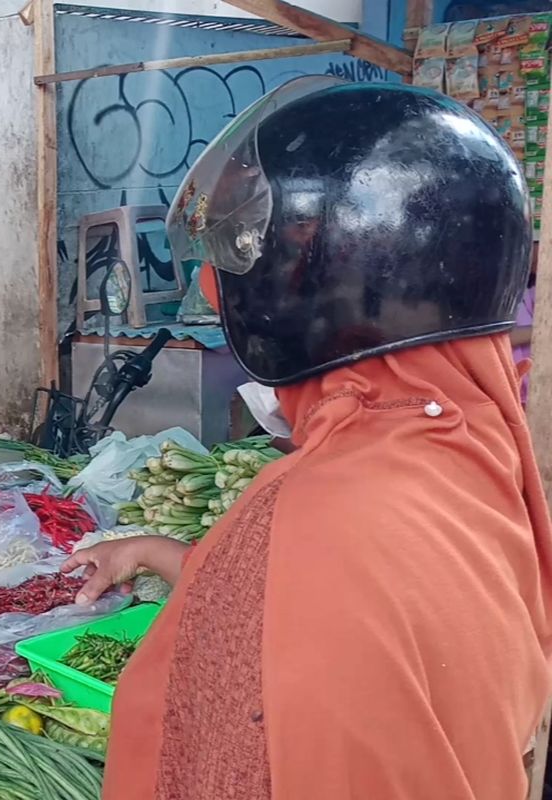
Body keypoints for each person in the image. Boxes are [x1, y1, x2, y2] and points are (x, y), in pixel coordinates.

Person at [66, 77, 552, 799]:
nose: (210, 288)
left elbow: (239, 740)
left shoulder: (318, 513)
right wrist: (166, 556)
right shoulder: (473, 449)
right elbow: (353, 622)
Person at [513, 245, 537, 406]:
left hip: (536, 387)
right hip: (513, 390)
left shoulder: (535, 290)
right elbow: (501, 337)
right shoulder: (489, 294)